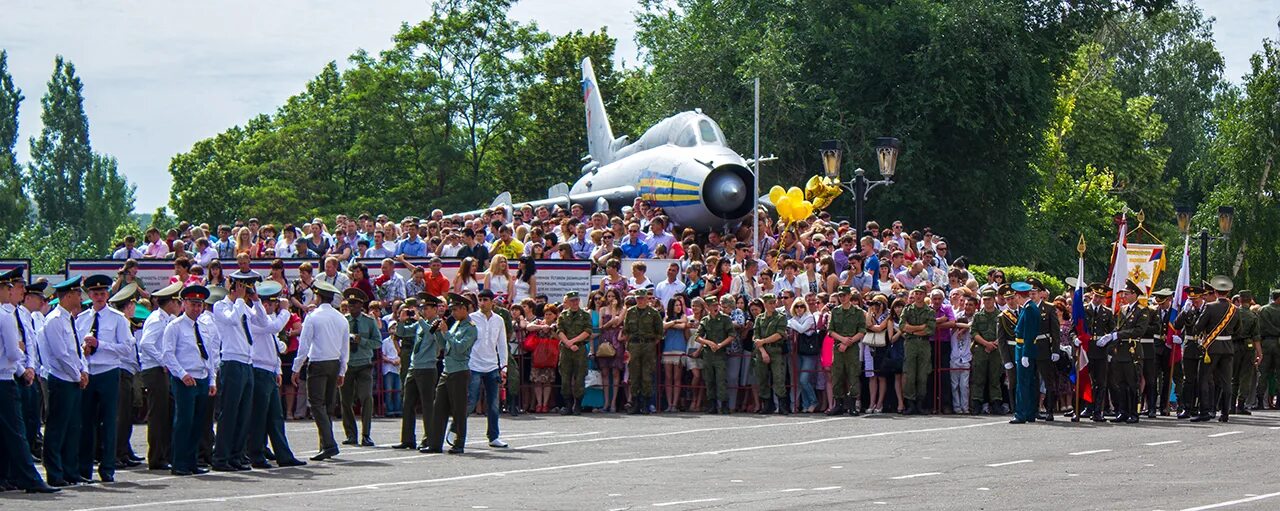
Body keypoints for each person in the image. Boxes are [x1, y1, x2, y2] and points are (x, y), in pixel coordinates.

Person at [0, 268, 59, 493]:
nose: (15, 291)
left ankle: (7, 475)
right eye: (9, 287)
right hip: (6, 377)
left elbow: (30, 345)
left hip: (13, 374)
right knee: (16, 431)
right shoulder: (5, 316)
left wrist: (28, 366)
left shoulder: (16, 314)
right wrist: (21, 363)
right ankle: (29, 478)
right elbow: (15, 353)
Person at [73, 274, 131, 483]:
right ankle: (84, 468)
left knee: (109, 422)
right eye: (95, 293)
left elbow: (126, 348)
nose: (99, 297)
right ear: (89, 295)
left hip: (108, 371)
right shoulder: (81, 319)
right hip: (88, 373)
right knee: (86, 423)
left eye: (103, 293)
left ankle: (107, 467)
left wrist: (101, 345)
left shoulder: (117, 318)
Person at [208, 270, 266, 472]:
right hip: (231, 361)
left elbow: (263, 322)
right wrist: (240, 300)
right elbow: (232, 320)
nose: (246, 290)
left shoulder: (244, 306)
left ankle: (237, 455)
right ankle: (221, 456)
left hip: (247, 362)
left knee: (244, 413)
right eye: (243, 285)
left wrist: (256, 301)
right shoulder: (220, 306)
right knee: (229, 412)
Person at [245, 281, 306, 468]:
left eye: (272, 304)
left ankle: (283, 454)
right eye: (268, 304)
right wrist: (286, 312)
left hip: (268, 370)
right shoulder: (253, 318)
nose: (270, 307)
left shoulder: (267, 320)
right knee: (259, 416)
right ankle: (255, 453)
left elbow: (274, 347)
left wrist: (277, 369)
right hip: (258, 369)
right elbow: (274, 328)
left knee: (275, 415)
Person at [161, 285, 218, 477]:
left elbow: (210, 356)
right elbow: (168, 354)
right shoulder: (175, 326)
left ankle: (193, 461)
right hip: (185, 378)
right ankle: (179, 462)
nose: (196, 308)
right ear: (184, 303)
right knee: (184, 421)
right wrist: (182, 373)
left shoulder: (204, 326)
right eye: (193, 304)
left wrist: (212, 380)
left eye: (199, 305)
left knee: (198, 422)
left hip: (202, 377)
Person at [291, 279, 348, 461]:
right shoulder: (341, 318)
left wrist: (296, 367)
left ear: (318, 295)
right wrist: (342, 370)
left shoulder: (313, 316)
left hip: (318, 362)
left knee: (316, 404)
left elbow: (304, 345)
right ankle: (325, 443)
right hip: (333, 363)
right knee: (328, 406)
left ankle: (329, 444)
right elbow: (345, 347)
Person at [422, 294, 477, 455]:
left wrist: (446, 333)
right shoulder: (456, 325)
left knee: (458, 410)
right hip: (447, 371)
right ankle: (434, 443)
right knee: (438, 408)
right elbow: (444, 347)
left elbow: (460, 348)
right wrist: (438, 333)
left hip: (459, 371)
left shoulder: (471, 328)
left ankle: (459, 443)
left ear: (464, 309)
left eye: (455, 309)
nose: (452, 312)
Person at [137, 282, 182, 471]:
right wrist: (164, 361)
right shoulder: (156, 319)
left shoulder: (165, 319)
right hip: (155, 370)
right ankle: (156, 457)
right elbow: (146, 343)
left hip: (160, 369)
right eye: (177, 301)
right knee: (158, 415)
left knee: (166, 413)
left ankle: (164, 454)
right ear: (170, 302)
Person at [391, 296, 442, 450]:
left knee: (427, 406)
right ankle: (407, 439)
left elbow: (432, 333)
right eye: (422, 308)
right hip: (414, 367)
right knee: (407, 404)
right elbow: (403, 333)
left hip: (427, 368)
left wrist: (419, 320)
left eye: (426, 308)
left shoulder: (437, 323)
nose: (423, 311)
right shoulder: (420, 324)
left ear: (434, 309)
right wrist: (401, 320)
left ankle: (429, 439)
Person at [464, 289, 510, 448]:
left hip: (492, 366)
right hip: (474, 365)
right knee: (471, 401)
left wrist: (504, 367)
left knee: (494, 403)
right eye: (480, 300)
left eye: (485, 300)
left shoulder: (499, 320)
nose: (482, 303)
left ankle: (494, 436)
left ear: (492, 302)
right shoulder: (471, 318)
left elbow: (502, 344)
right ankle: (457, 430)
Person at [1192, 276, 1241, 423]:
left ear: (1215, 291)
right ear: (1227, 292)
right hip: (1228, 348)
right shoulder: (1235, 309)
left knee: (1204, 379)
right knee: (1227, 381)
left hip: (1211, 348)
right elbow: (1239, 330)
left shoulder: (1210, 307)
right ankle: (1225, 413)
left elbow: (1197, 327)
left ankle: (1205, 411)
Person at [1096, 280, 1145, 424]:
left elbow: (1139, 331)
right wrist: (1110, 336)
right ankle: (1123, 411)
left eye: (1127, 293)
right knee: (1121, 383)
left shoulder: (1142, 310)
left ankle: (1133, 413)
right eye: (1124, 293)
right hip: (1120, 351)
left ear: (1135, 294)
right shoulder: (1123, 309)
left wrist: (1117, 335)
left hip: (1132, 350)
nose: (1124, 296)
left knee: (1132, 383)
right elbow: (1118, 328)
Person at [340, 288, 382, 447]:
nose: (351, 307)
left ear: (361, 305)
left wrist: (362, 341)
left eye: (355, 304)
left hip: (364, 364)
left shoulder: (369, 321)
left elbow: (377, 343)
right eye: (350, 303)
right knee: (345, 400)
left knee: (366, 398)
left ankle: (366, 434)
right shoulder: (343, 320)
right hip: (347, 364)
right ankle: (351, 434)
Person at [826, 287, 866, 415]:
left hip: (852, 347)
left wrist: (849, 342)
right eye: (840, 296)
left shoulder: (858, 312)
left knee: (853, 375)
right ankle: (838, 404)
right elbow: (830, 331)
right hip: (838, 347)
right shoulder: (835, 311)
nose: (842, 298)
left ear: (849, 296)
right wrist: (842, 340)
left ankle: (852, 405)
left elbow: (862, 331)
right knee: (837, 376)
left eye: (844, 295)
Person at [623, 289, 663, 415]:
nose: (640, 300)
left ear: (647, 299)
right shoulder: (630, 312)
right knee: (634, 375)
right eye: (638, 298)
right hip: (634, 345)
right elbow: (626, 330)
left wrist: (650, 343)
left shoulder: (653, 313)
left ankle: (646, 404)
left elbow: (659, 333)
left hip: (648, 345)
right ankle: (635, 403)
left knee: (647, 375)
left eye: (642, 298)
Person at [898, 285, 936, 415]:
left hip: (924, 345)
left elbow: (930, 329)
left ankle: (920, 403)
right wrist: (919, 328)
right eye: (916, 293)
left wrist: (912, 329)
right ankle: (910, 403)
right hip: (910, 344)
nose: (918, 296)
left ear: (925, 295)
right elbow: (903, 326)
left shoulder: (929, 311)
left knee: (923, 375)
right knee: (909, 374)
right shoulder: (908, 310)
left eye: (921, 293)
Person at [1027, 278, 1060, 421]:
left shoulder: (1048, 308)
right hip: (1030, 347)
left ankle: (1049, 409)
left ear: (1041, 293)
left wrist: (1055, 350)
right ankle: (1034, 410)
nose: (1032, 295)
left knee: (1048, 381)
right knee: (1032, 380)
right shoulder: (1026, 308)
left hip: (1044, 347)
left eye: (1034, 292)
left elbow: (1055, 331)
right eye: (1030, 293)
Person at [752, 294, 789, 414]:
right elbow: (755, 336)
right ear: (765, 304)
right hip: (762, 351)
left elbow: (779, 334)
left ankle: (783, 405)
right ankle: (767, 405)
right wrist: (762, 350)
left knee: (778, 378)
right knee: (762, 378)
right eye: (771, 303)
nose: (774, 305)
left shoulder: (780, 317)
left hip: (775, 350)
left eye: (774, 302)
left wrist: (763, 341)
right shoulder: (759, 318)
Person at [968, 290, 1003, 415]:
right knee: (978, 378)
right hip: (981, 349)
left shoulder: (1000, 315)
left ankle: (996, 403)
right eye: (985, 299)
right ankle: (977, 403)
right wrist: (985, 343)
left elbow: (1004, 332)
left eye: (989, 299)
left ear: (994, 299)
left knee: (995, 377)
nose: (987, 302)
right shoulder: (978, 316)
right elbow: (974, 332)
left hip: (996, 350)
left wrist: (994, 344)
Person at [557, 292, 592, 415]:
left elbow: (588, 331)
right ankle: (568, 404)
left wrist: (573, 342)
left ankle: (578, 404)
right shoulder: (563, 315)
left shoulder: (585, 315)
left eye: (576, 300)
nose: (575, 303)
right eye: (572, 300)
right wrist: (568, 343)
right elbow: (559, 330)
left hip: (579, 349)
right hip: (566, 350)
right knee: (565, 378)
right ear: (568, 302)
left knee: (579, 378)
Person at [1231, 290, 1261, 414]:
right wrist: (1260, 353)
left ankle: (1231, 404)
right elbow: (1256, 337)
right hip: (1248, 347)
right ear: (1250, 300)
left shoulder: (1233, 313)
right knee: (1245, 376)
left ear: (1240, 299)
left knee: (1233, 376)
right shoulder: (1253, 316)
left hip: (1233, 345)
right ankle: (1241, 404)